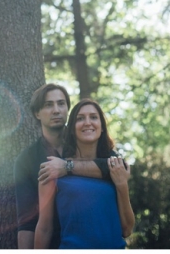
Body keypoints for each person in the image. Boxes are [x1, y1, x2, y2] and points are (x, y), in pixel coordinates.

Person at [14, 84, 115, 249]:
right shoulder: (26, 160)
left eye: (61, 104)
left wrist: (67, 166)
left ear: (68, 108)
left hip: (96, 241)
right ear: (37, 113)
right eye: (49, 105)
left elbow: (117, 166)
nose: (56, 110)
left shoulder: (85, 138)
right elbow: (26, 222)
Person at [34, 99, 134, 249]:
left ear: (102, 128)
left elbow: (126, 229)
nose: (87, 122)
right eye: (80, 118)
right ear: (72, 129)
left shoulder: (115, 169)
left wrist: (121, 184)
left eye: (93, 117)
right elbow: (44, 228)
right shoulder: (53, 170)